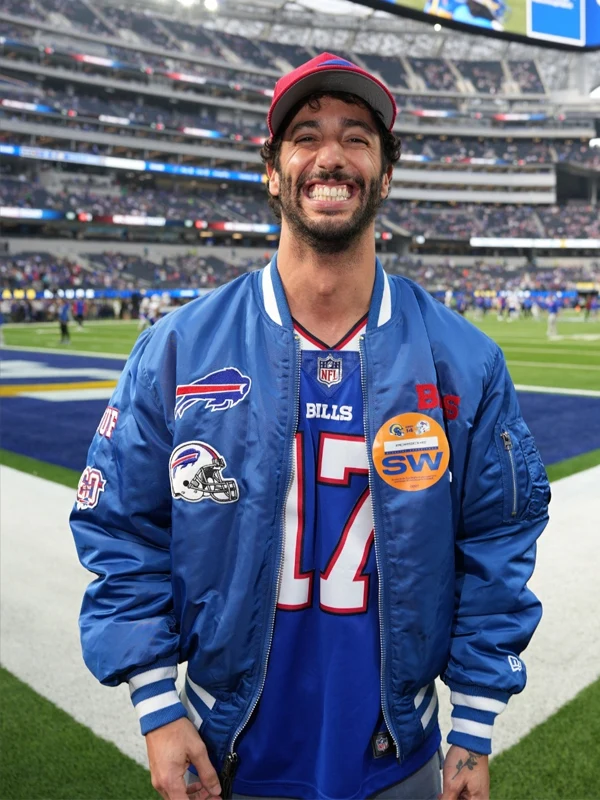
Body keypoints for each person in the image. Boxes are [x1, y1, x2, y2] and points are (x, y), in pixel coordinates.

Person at [71, 53, 550, 800]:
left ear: (386, 174)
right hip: (223, 752)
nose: (332, 155)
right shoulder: (177, 348)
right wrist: (157, 707)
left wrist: (475, 726)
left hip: (400, 755)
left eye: (358, 137)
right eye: (306, 135)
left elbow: (495, 542)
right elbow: (122, 530)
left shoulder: (465, 361)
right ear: (272, 168)